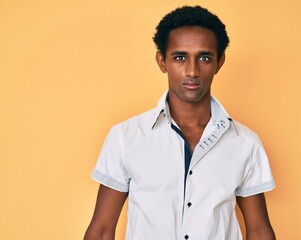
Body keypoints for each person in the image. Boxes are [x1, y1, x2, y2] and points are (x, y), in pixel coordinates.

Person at [84, 5, 276, 240]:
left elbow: (259, 231)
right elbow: (102, 231)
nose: (192, 71)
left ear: (220, 62)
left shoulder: (244, 143)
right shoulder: (126, 137)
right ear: (162, 61)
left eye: (204, 57)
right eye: (180, 57)